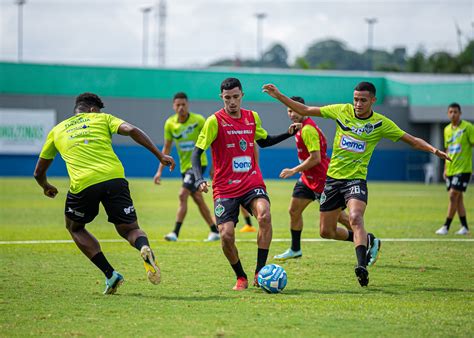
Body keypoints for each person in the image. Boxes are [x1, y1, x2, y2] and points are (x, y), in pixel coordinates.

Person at [263, 82, 450, 287]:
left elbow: (411, 139)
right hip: (332, 179)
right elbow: (306, 110)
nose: (358, 104)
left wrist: (434, 150)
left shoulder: (380, 123)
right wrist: (279, 95)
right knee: (326, 231)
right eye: (356, 99)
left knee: (355, 217)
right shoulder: (342, 111)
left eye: (363, 100)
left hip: (356, 179)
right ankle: (367, 240)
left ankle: (361, 265)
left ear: (372, 100)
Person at [34, 92, 175, 295]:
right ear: (92, 110)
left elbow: (38, 172)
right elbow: (132, 129)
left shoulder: (57, 130)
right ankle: (143, 247)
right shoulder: (102, 118)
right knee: (130, 229)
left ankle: (110, 274)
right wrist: (159, 155)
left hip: (83, 184)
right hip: (114, 178)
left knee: (75, 228)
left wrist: (46, 186)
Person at [191, 77, 300, 290]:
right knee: (226, 234)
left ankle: (260, 272)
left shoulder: (252, 117)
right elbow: (197, 152)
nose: (232, 102)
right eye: (227, 98)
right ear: (221, 98)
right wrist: (199, 179)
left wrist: (287, 134)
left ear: (242, 96)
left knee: (265, 215)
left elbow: (264, 141)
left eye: (235, 97)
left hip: (251, 181)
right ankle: (240, 276)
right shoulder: (214, 121)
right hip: (225, 187)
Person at [274, 96, 351, 261]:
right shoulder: (303, 127)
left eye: (295, 109)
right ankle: (295, 249)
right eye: (289, 110)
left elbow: (315, 158)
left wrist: (293, 170)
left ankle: (367, 240)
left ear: (303, 109)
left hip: (322, 181)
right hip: (307, 179)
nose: (292, 113)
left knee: (341, 218)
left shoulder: (308, 130)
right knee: (294, 211)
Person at [153, 92, 219, 242]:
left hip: (197, 165)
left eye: (183, 104)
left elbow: (213, 142)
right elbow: (167, 148)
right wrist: (159, 171)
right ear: (173, 106)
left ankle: (175, 232)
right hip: (184, 167)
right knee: (197, 198)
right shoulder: (170, 123)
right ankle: (214, 230)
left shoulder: (199, 121)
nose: (181, 107)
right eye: (178, 105)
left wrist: (214, 166)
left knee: (183, 194)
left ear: (187, 105)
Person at [436, 103, 473, 235]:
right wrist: (445, 168)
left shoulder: (468, 127)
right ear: (448, 113)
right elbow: (447, 149)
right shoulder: (447, 130)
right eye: (451, 112)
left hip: (463, 169)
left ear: (460, 113)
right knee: (458, 198)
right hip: (451, 168)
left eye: (456, 112)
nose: (453, 114)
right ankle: (464, 227)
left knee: (453, 195)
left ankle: (446, 226)